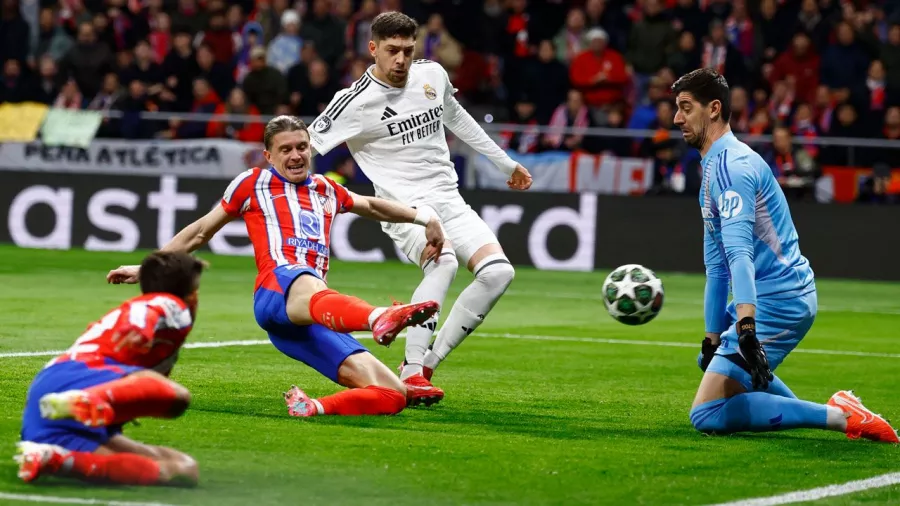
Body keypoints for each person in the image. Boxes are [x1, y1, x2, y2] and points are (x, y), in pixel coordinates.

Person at [106, 116, 445, 418]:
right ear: (268, 156)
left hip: (307, 320)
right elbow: (201, 231)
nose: (295, 155)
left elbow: (371, 205)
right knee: (308, 279)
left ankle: (312, 407)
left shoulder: (326, 189)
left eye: (302, 147)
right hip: (276, 291)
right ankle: (377, 317)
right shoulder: (252, 183)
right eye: (285, 150)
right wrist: (146, 267)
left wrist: (424, 217)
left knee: (393, 395)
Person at [307, 11, 534, 406]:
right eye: (392, 51)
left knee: (499, 274)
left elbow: (457, 118)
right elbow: (305, 146)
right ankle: (411, 370)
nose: (400, 60)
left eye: (408, 51)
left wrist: (504, 163)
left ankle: (426, 365)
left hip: (449, 199)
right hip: (403, 207)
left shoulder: (432, 75)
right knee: (443, 262)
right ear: (373, 49)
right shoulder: (354, 101)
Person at [672, 68, 898, 443]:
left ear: (713, 109)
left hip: (780, 299)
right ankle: (840, 407)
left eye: (685, 107)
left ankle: (840, 416)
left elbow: (741, 253)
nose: (677, 118)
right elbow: (717, 267)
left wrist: (746, 327)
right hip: (771, 293)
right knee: (710, 365)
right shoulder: (713, 168)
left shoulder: (732, 168)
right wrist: (712, 339)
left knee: (706, 413)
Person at [16, 251, 205, 486]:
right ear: (192, 294)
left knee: (183, 471)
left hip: (48, 397)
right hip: (77, 377)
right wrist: (139, 331)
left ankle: (53, 458)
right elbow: (148, 311)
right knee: (177, 397)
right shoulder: (169, 304)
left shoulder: (162, 338)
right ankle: (86, 399)